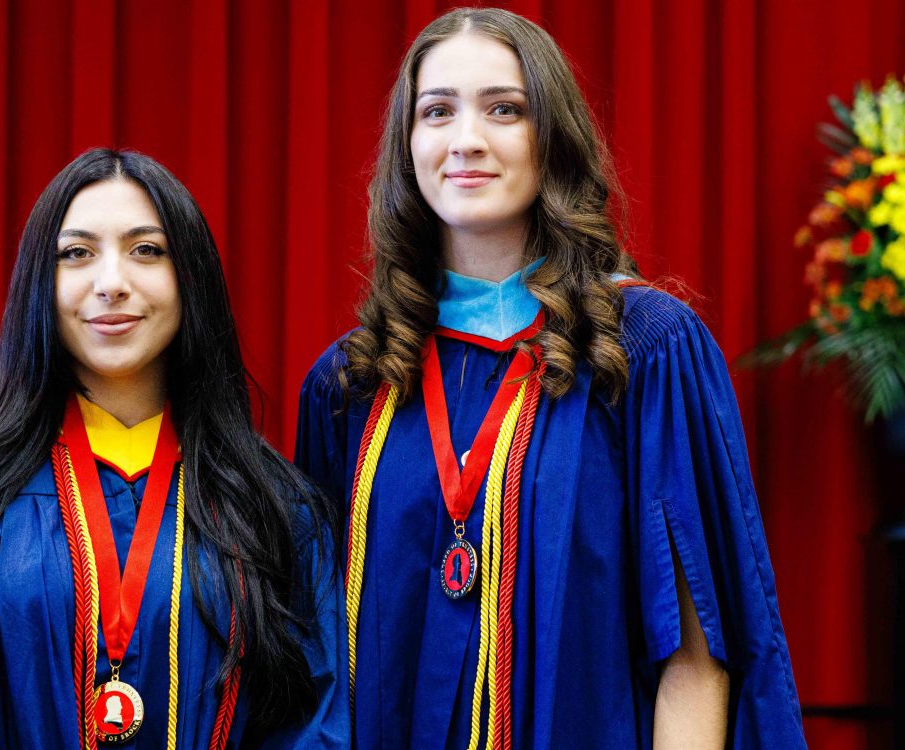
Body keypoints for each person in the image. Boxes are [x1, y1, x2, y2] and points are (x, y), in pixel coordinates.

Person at [295, 8, 806, 749]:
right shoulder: (353, 385)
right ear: (408, 147)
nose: (467, 139)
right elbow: (314, 680)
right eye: (437, 111)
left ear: (553, 137)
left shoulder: (642, 350)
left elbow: (696, 663)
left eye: (506, 109)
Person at [0, 149, 347, 749]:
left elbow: (315, 725)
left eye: (146, 250)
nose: (111, 283)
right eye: (76, 254)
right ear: (37, 285)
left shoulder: (275, 510)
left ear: (192, 279)